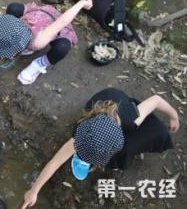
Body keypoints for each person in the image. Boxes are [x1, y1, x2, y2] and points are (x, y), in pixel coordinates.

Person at [21, 88, 180, 209]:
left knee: (153, 134)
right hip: (98, 103)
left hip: (120, 104)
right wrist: (34, 191)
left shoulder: (133, 118)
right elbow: (55, 162)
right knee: (91, 148)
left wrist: (174, 116)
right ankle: (83, 157)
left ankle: (91, 156)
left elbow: (157, 100)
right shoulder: (81, 133)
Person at [0, 0, 93, 85]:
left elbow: (62, 21)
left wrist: (82, 3)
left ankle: (39, 64)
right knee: (14, 7)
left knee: (62, 47)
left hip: (50, 22)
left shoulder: (38, 42)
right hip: (35, 16)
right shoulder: (10, 28)